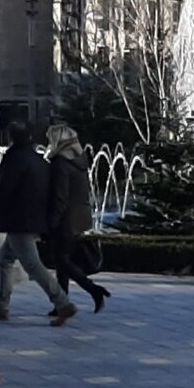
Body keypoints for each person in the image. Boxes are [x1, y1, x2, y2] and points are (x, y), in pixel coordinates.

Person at [0, 119, 73, 325]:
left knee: (32, 265)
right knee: (5, 259)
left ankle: (62, 302)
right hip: (30, 218)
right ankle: (1, 305)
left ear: (10, 137)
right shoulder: (37, 160)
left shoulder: (15, 160)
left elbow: (3, 191)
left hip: (19, 220)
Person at [44, 122, 111, 312]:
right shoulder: (79, 160)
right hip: (80, 217)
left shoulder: (60, 164)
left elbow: (59, 196)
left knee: (63, 260)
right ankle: (62, 303)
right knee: (62, 261)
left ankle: (93, 289)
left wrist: (52, 221)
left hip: (66, 219)